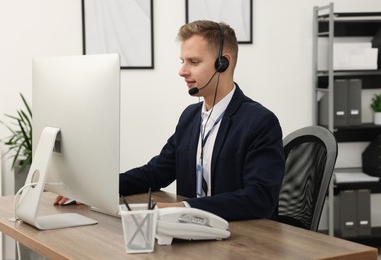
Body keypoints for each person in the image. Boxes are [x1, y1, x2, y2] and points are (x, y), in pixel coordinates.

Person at [118, 20, 285, 221]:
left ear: (223, 63)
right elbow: (156, 173)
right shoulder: (190, 117)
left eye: (194, 62)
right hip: (192, 232)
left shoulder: (259, 122)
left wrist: (183, 207)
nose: (182, 71)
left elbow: (259, 198)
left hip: (241, 238)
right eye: (182, 61)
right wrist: (101, 188)